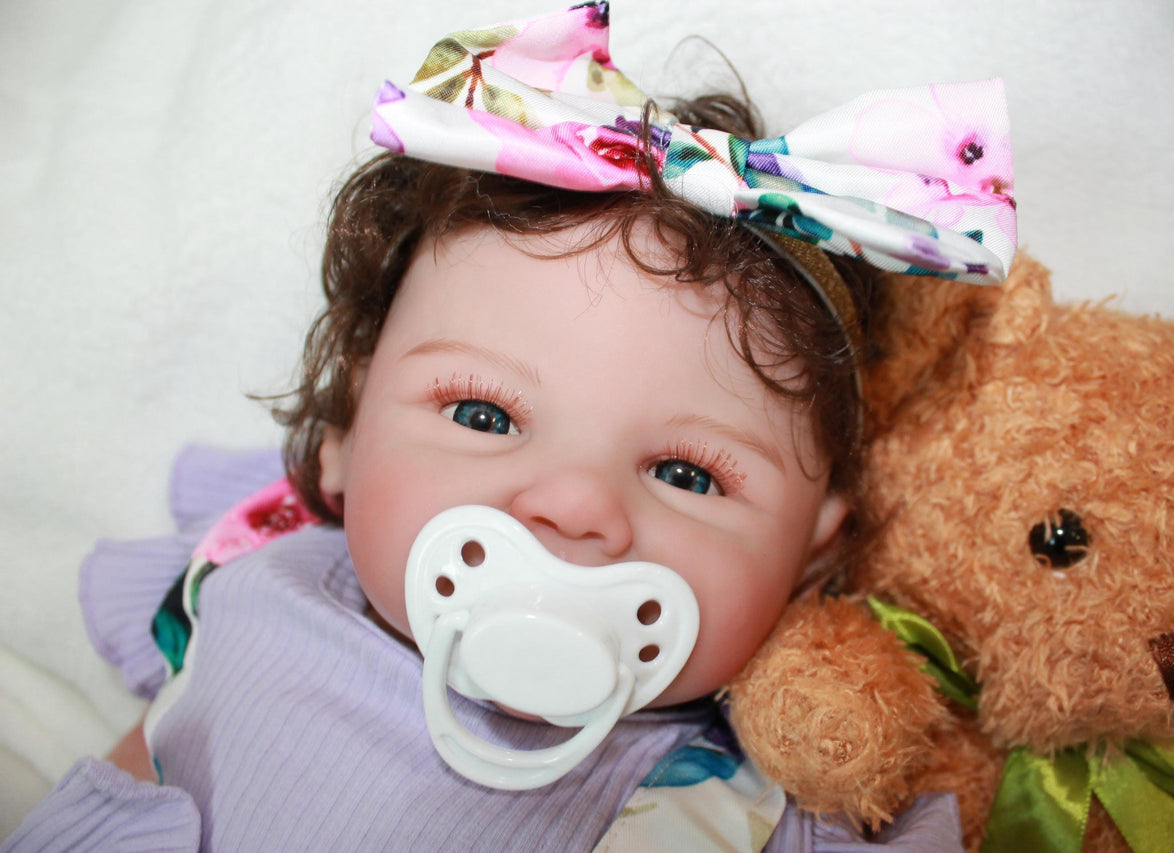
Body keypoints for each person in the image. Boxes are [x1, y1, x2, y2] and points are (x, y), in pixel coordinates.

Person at [3, 3, 1014, 850]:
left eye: (688, 473)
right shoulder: (252, 594)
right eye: (484, 414)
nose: (573, 505)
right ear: (346, 435)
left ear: (812, 547)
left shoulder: (763, 793)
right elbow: (127, 785)